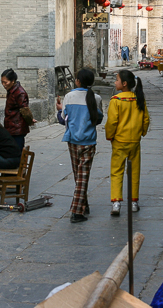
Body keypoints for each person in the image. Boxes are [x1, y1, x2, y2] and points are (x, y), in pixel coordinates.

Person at [56, 69, 104, 223]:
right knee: (82, 176)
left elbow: (63, 120)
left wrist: (59, 110)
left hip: (72, 140)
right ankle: (81, 207)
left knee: (79, 176)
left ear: (77, 81)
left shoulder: (69, 97)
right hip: (88, 141)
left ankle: (78, 209)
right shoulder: (96, 98)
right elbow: (98, 119)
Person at [105, 69, 149, 216]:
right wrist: (141, 132)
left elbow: (111, 122)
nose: (115, 82)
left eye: (116, 80)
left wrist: (110, 136)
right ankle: (134, 202)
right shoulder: (139, 99)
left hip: (119, 141)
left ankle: (116, 203)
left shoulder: (116, 101)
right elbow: (146, 119)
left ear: (124, 84)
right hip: (135, 141)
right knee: (134, 171)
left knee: (117, 171)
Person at [1, 69, 32, 150]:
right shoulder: (12, 91)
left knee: (17, 150)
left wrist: (30, 120)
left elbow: (25, 110)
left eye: (6, 82)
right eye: (2, 82)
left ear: (13, 81)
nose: (4, 85)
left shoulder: (19, 92)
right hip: (11, 126)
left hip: (17, 128)